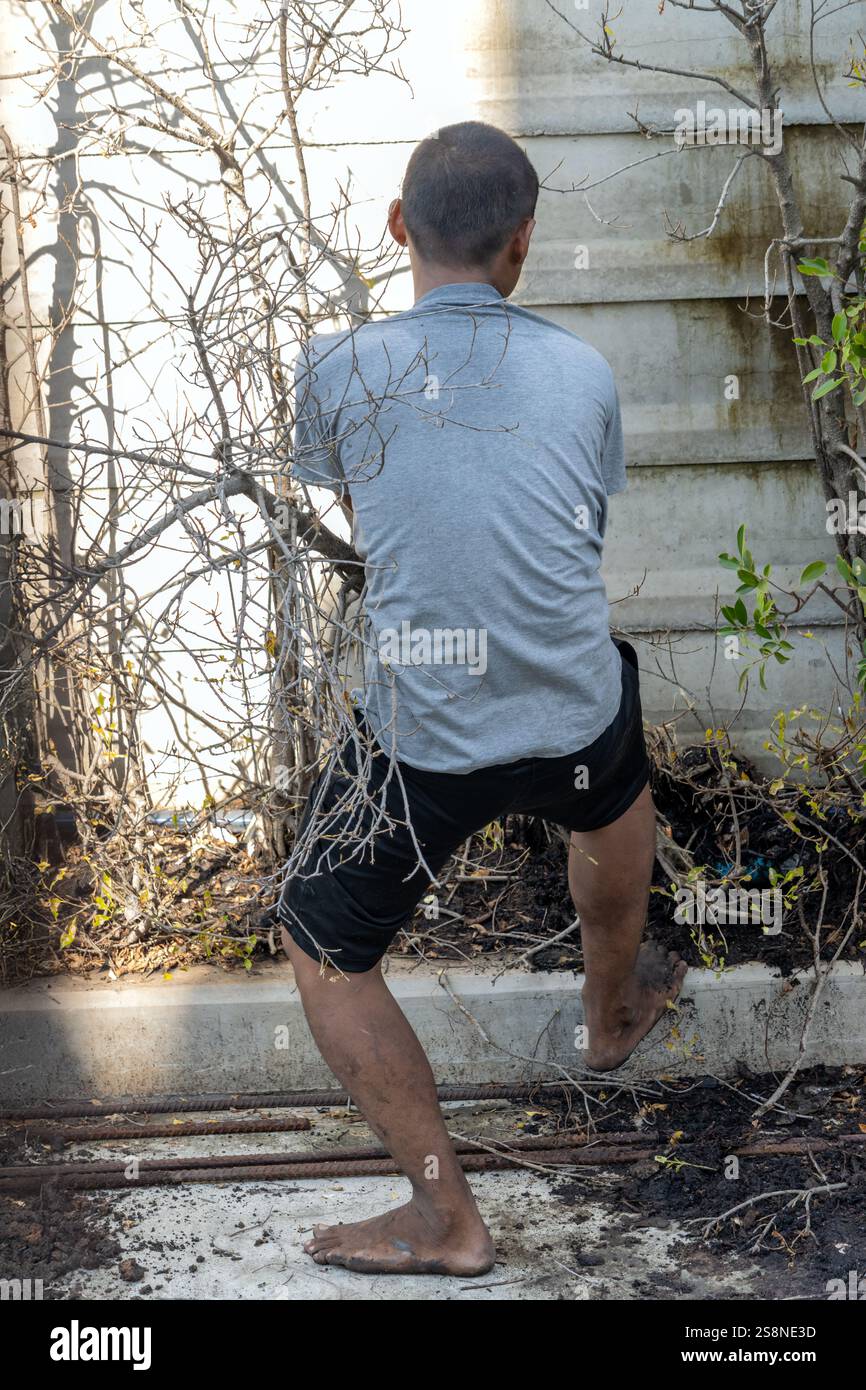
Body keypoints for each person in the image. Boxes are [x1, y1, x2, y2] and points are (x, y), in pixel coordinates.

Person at [278, 121, 686, 1276]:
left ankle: (443, 1214)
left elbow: (377, 527)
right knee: (606, 757)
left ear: (399, 227)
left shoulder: (332, 368)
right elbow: (566, 535)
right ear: (522, 245)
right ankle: (610, 1013)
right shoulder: (584, 372)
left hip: (425, 737)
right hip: (570, 718)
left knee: (319, 940)